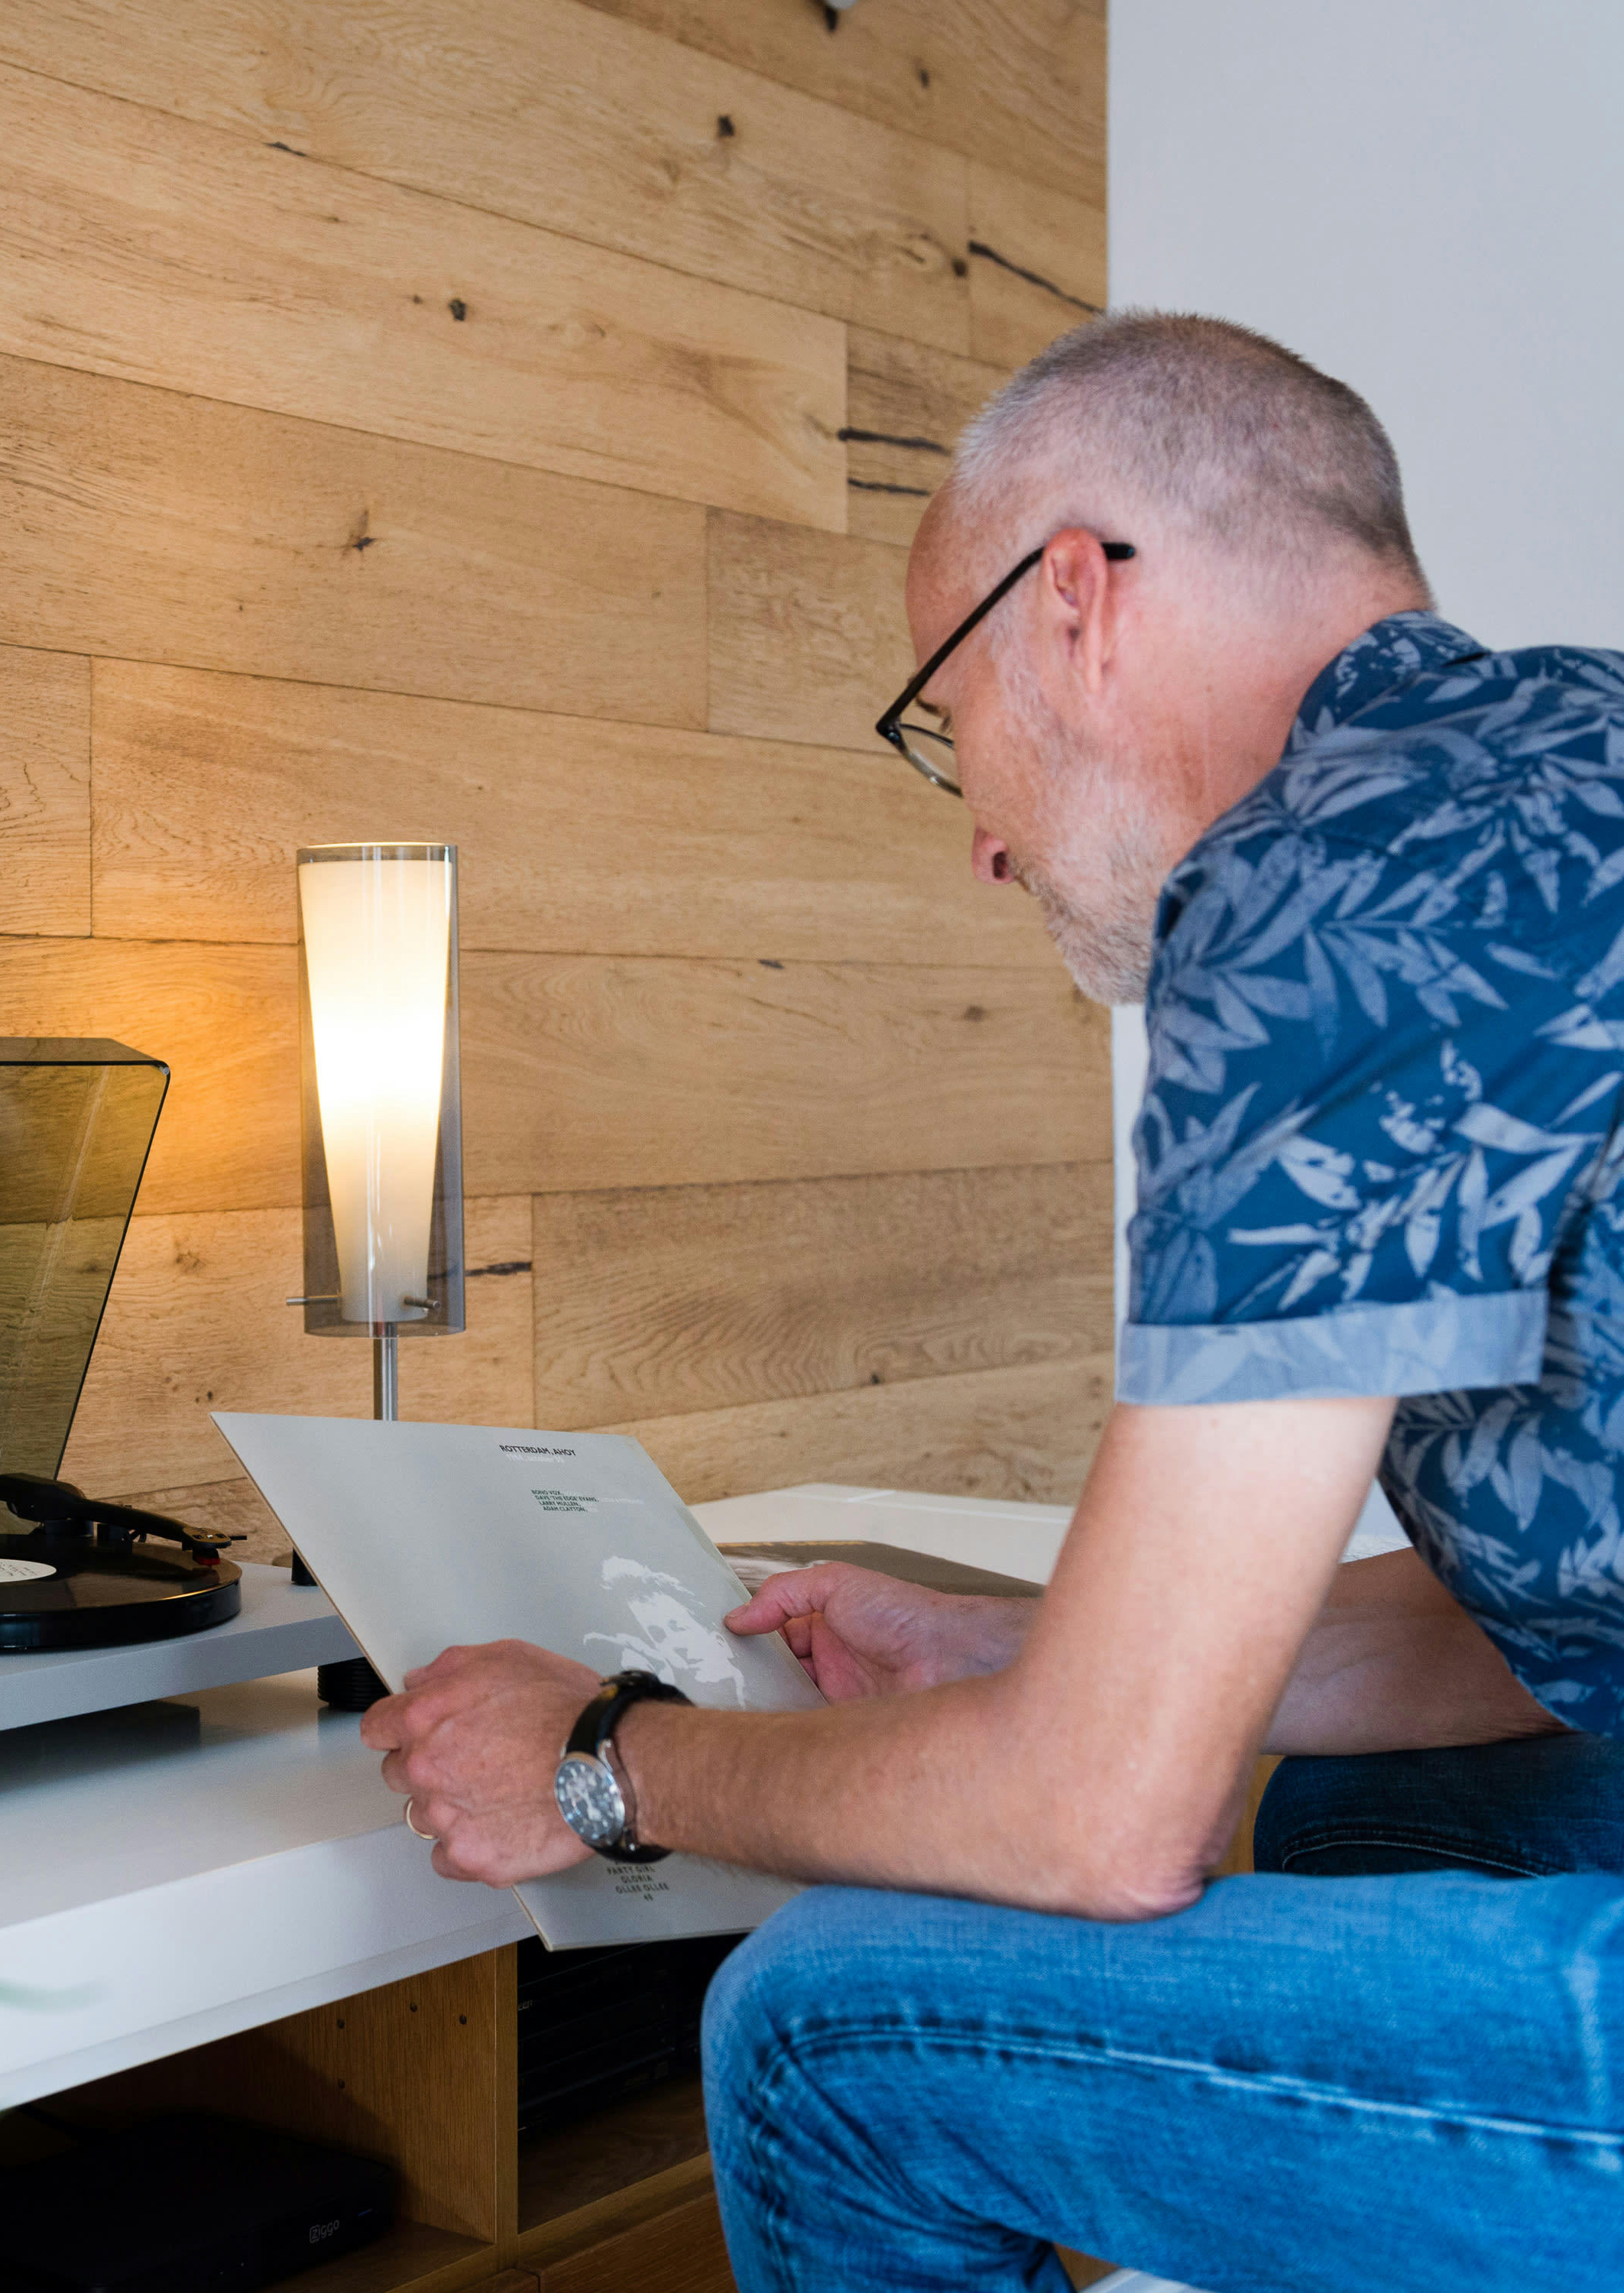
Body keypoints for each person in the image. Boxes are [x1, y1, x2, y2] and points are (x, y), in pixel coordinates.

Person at [361, 312, 1624, 2290]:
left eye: (942, 728)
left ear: (1071, 606)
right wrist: (1024, 1652)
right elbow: (1564, 1620)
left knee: (835, 2030)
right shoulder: (1559, 767)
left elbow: (1106, 1824)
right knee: (1371, 1829)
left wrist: (604, 1761)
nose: (979, 838)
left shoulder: (1329, 888)